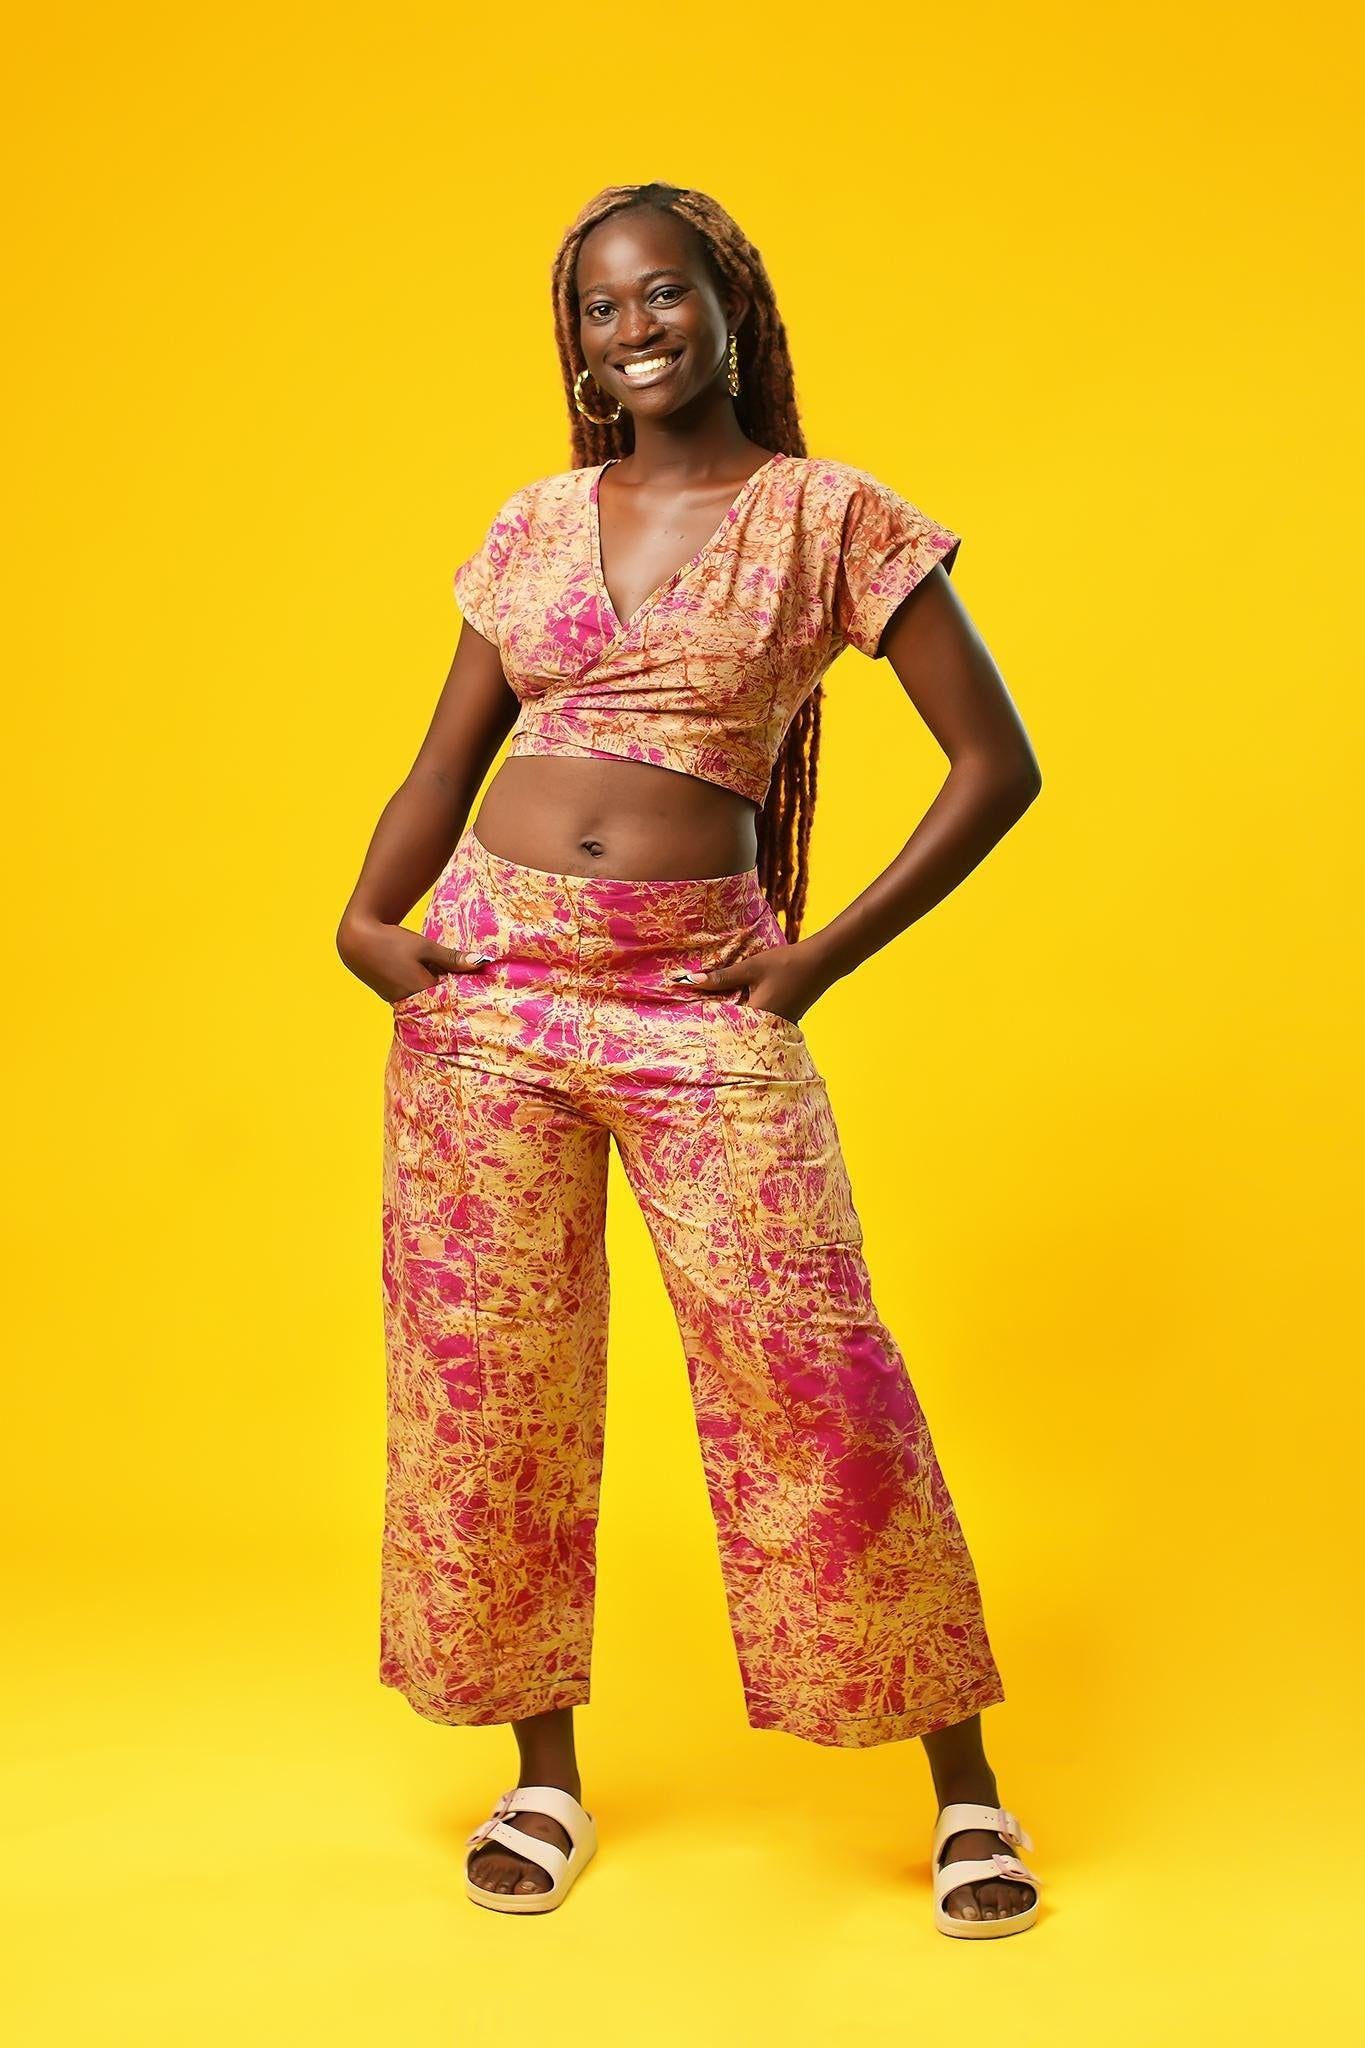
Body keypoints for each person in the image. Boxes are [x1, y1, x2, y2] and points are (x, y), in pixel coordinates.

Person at [336, 181, 1044, 1936]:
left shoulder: (828, 515)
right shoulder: (531, 521)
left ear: (729, 305)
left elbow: (993, 764)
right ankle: (544, 1777)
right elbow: (448, 754)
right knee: (488, 1390)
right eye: (597, 308)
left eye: (663, 295)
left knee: (814, 1372)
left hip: (697, 1007)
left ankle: (962, 1794)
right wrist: (367, 917)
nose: (631, 328)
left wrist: (807, 967)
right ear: (574, 347)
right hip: (487, 992)